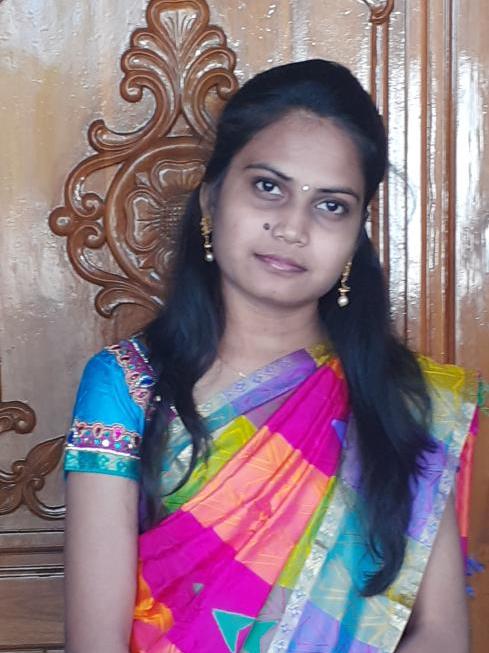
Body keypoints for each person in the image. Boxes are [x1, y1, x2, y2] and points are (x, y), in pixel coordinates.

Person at [63, 60, 480, 653]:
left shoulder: (404, 397)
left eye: (331, 206)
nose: (292, 227)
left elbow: (439, 633)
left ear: (356, 235)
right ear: (211, 198)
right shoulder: (127, 386)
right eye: (268, 187)